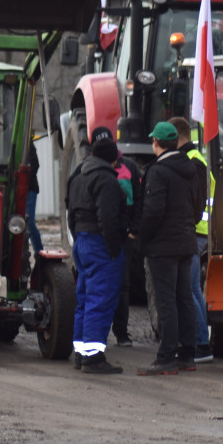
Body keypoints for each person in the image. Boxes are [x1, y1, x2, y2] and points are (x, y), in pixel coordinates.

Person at [137, 121, 199, 376]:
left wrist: (142, 239)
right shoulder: (191, 168)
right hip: (186, 242)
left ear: (156, 143)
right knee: (184, 299)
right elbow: (197, 206)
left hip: (163, 247)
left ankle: (166, 358)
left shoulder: (158, 172)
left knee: (166, 303)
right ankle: (187, 356)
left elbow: (153, 211)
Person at [67, 132, 127, 374]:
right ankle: (94, 358)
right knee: (100, 301)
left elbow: (69, 209)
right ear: (112, 159)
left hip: (81, 241)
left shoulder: (77, 176)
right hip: (100, 245)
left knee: (84, 300)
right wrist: (114, 249)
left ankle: (81, 354)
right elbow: (109, 219)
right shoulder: (106, 180)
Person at [83, 127, 141, 348]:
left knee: (121, 286)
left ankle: (121, 332)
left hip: (123, 236)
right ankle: (96, 337)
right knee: (96, 288)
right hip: (99, 237)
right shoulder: (87, 170)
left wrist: (134, 230)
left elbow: (138, 201)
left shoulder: (130, 167)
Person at [168, 117, 214, 363]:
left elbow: (195, 201)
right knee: (193, 289)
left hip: (195, 232)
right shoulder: (198, 159)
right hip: (199, 231)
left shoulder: (192, 162)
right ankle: (201, 341)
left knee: (191, 289)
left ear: (178, 135)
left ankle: (201, 344)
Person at [26, 139, 43, 253]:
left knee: (29, 223)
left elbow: (35, 164)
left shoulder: (26, 142)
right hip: (23, 188)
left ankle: (39, 252)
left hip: (29, 188)